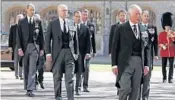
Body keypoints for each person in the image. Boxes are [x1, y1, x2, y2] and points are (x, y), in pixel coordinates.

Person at [111, 4, 149, 100]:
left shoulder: (143, 29)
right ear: (129, 14)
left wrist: (146, 65)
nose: (139, 16)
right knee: (125, 88)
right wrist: (114, 65)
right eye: (137, 14)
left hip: (139, 62)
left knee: (136, 91)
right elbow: (114, 47)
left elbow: (146, 48)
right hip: (124, 62)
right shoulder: (120, 28)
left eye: (140, 14)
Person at [45, 4, 79, 100]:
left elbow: (75, 40)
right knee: (57, 77)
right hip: (57, 54)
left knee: (70, 78)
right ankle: (58, 97)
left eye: (66, 10)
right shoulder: (52, 24)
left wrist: (76, 54)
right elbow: (47, 40)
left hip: (70, 53)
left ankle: (70, 98)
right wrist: (48, 54)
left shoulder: (72, 23)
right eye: (63, 10)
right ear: (58, 11)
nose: (65, 12)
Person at [17, 4, 44, 97]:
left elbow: (41, 36)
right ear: (27, 10)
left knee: (32, 69)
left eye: (34, 10)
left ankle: (30, 89)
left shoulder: (38, 21)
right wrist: (19, 48)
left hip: (34, 48)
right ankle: (27, 87)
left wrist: (42, 49)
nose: (32, 11)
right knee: (26, 68)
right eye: (31, 10)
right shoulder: (21, 21)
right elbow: (18, 36)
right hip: (24, 48)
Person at [138, 10, 158, 100]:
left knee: (147, 77)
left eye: (147, 16)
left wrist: (156, 54)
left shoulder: (153, 27)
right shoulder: (137, 27)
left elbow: (155, 42)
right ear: (141, 16)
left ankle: (145, 97)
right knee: (138, 77)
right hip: (139, 55)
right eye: (145, 16)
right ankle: (137, 96)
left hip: (149, 55)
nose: (146, 17)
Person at [73, 11, 91, 95]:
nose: (78, 18)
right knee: (70, 72)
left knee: (79, 72)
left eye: (79, 17)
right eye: (76, 16)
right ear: (74, 17)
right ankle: (70, 88)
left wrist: (88, 52)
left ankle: (77, 89)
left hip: (80, 53)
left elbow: (88, 42)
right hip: (71, 53)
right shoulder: (70, 27)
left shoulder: (85, 28)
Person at [81, 9, 96, 92]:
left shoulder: (91, 25)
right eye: (84, 14)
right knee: (79, 68)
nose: (85, 16)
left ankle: (85, 86)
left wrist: (94, 51)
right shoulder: (77, 24)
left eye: (86, 15)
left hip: (88, 51)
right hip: (79, 50)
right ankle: (78, 86)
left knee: (86, 68)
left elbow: (93, 39)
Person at [158, 12, 175, 83]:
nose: (168, 27)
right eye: (166, 26)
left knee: (171, 66)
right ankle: (164, 78)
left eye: (169, 26)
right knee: (163, 66)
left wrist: (173, 37)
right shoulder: (161, 34)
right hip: (164, 51)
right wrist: (162, 46)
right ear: (164, 26)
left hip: (172, 52)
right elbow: (159, 43)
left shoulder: (173, 33)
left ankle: (170, 78)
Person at [8, 14, 24, 80]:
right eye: (18, 18)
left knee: (21, 61)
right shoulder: (13, 27)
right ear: (16, 19)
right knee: (16, 61)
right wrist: (10, 46)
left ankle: (21, 74)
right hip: (15, 46)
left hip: (22, 46)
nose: (19, 19)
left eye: (20, 18)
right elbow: (10, 37)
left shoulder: (24, 26)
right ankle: (16, 74)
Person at [34, 14, 45, 89]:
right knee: (33, 68)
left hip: (40, 50)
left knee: (40, 68)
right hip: (33, 50)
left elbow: (42, 38)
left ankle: (40, 80)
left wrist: (42, 49)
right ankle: (35, 82)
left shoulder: (41, 26)